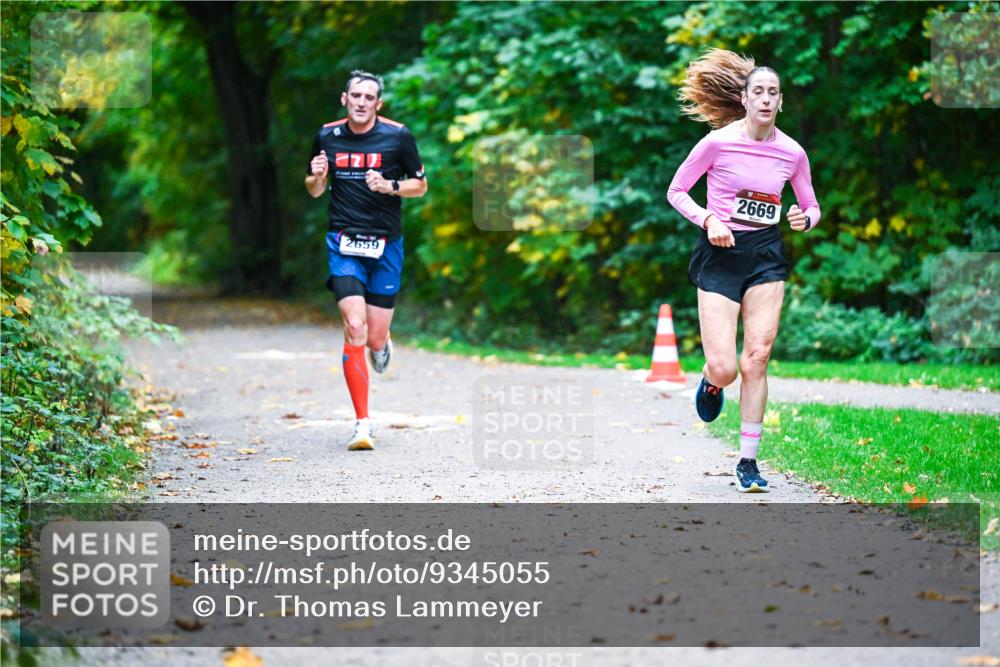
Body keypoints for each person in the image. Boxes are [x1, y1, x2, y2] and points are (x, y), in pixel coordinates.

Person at [667, 49, 821, 493]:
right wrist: (709, 220)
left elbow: (811, 205)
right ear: (745, 98)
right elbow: (677, 190)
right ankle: (711, 381)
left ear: (781, 101)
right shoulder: (716, 143)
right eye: (759, 92)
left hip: (765, 254)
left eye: (774, 92)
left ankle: (748, 462)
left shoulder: (792, 152)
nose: (766, 99)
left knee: (757, 357)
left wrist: (805, 219)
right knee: (726, 368)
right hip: (720, 252)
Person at [305, 70, 427, 451]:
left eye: (368, 97)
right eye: (355, 96)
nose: (361, 102)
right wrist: (317, 177)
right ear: (345, 99)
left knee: (372, 337)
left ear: (378, 103)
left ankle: (381, 341)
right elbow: (314, 189)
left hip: (386, 246)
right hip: (344, 243)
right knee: (354, 327)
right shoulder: (327, 136)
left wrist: (389, 186)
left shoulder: (398, 136)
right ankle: (362, 423)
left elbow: (421, 186)